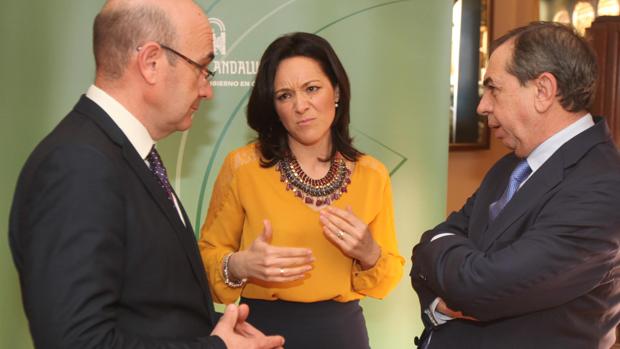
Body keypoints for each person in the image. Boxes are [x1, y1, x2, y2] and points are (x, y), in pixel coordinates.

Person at [8, 1, 285, 348]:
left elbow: (146, 308)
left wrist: (219, 329)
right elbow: (78, 342)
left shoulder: (122, 155)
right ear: (151, 62)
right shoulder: (78, 165)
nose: (207, 89)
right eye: (202, 69)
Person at [411, 21, 620, 349]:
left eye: (493, 88)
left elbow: (478, 288)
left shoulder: (604, 186)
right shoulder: (510, 166)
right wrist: (441, 294)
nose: (482, 106)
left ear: (543, 91)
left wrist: (444, 255)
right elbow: (426, 247)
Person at [198, 32, 404, 349]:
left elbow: (387, 280)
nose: (301, 106)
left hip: (342, 334)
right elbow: (206, 259)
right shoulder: (243, 167)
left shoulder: (372, 174)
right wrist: (240, 265)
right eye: (284, 95)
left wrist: (368, 253)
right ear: (273, 106)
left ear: (336, 91)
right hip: (260, 335)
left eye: (312, 89)